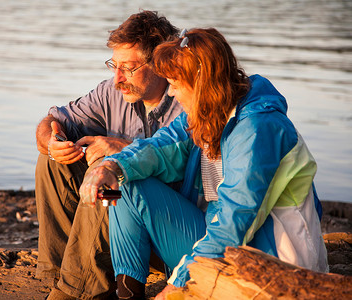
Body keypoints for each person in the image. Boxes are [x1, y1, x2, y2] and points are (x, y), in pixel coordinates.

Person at [79, 28, 329, 299]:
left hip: (271, 262)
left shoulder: (258, 131)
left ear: (202, 82)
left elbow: (235, 223)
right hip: (216, 242)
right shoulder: (208, 112)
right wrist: (110, 167)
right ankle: (127, 293)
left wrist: (176, 285)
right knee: (124, 182)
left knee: (127, 184)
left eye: (175, 83)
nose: (171, 93)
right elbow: (160, 148)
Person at [35, 10, 182, 299]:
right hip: (122, 222)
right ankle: (65, 276)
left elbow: (193, 169)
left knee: (109, 177)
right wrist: (51, 142)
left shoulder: (185, 98)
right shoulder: (112, 92)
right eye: (113, 65)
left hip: (165, 227)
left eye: (128, 68)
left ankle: (79, 291)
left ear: (160, 64)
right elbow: (55, 119)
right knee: (52, 163)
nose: (117, 79)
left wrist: (121, 151)